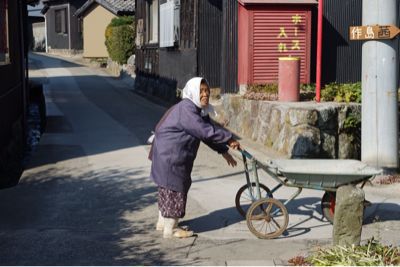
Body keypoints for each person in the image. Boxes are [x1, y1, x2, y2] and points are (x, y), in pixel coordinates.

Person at [149, 77, 241, 238]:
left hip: (167, 154)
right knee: (175, 188)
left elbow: (205, 133)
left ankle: (163, 223)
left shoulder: (196, 109)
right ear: (192, 92)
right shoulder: (187, 108)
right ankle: (171, 230)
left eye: (207, 91)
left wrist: (223, 150)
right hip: (171, 155)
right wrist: (229, 138)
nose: (205, 94)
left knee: (166, 187)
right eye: (201, 91)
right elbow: (204, 130)